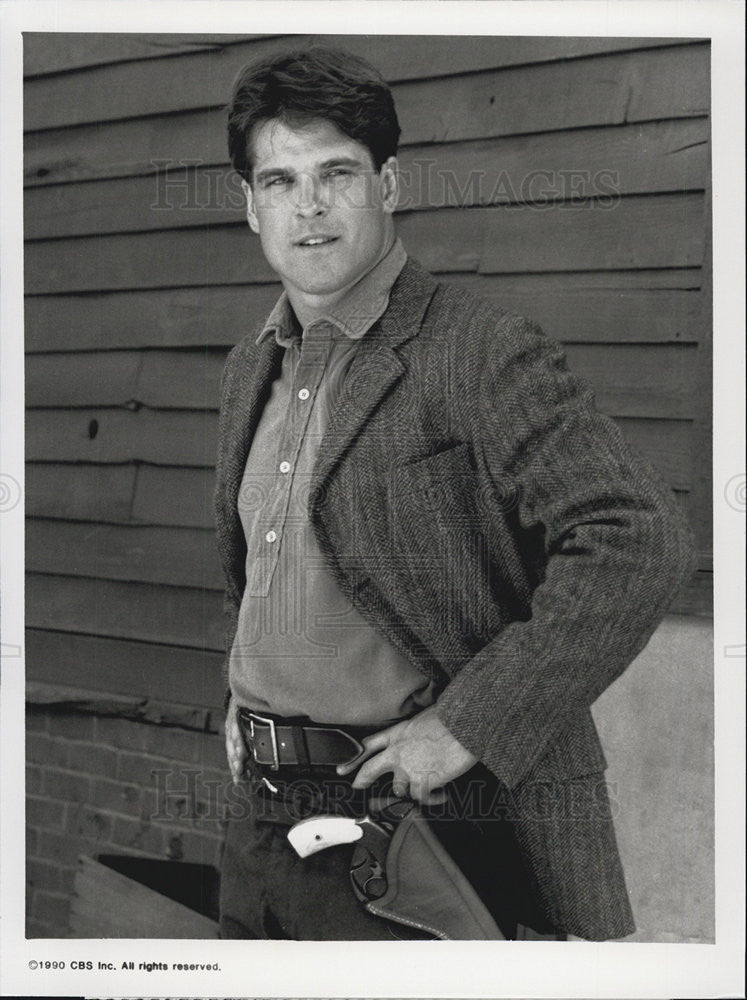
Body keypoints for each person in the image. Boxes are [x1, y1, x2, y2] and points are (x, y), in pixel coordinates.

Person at [214, 46, 692, 941]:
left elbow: (635, 537)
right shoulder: (252, 366)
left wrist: (465, 726)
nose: (308, 206)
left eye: (337, 175)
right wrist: (242, 698)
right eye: (279, 180)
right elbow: (267, 567)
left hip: (417, 826)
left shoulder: (477, 351)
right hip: (259, 823)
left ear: (387, 186)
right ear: (250, 205)